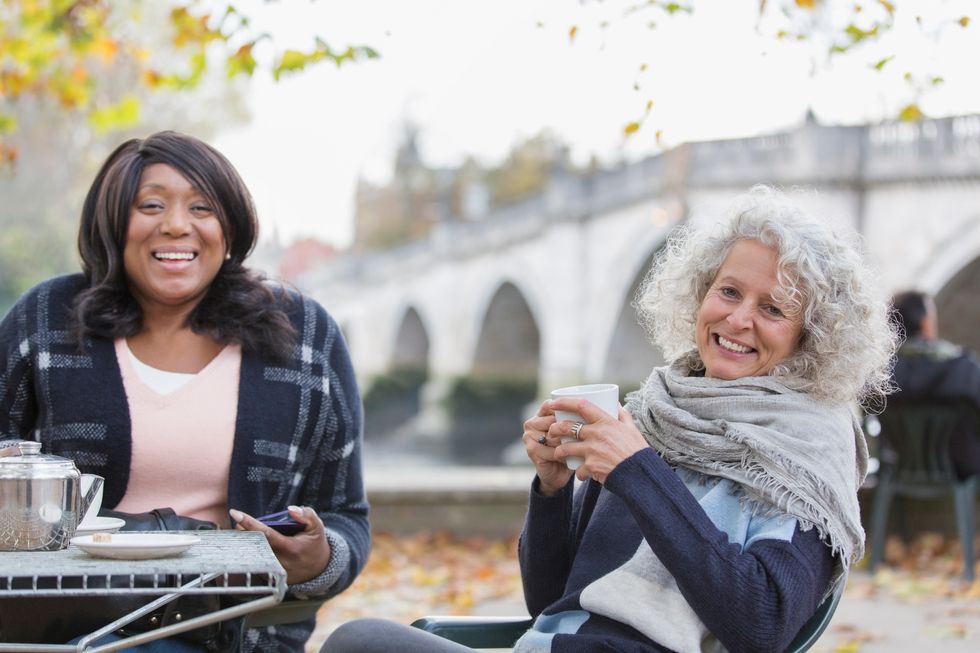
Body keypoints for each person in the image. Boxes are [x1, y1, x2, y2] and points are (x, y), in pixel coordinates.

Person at [321, 185, 897, 653]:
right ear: (700, 295)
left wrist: (637, 471)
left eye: (772, 309)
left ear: (811, 336)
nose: (739, 318)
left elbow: (763, 625)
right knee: (357, 640)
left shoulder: (804, 454)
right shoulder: (656, 414)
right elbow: (550, 599)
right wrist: (551, 489)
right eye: (728, 291)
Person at [0, 131, 370, 652]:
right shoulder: (46, 320)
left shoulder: (304, 334)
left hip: (237, 630)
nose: (176, 224)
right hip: (67, 626)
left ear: (229, 225)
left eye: (202, 207)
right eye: (150, 205)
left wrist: (320, 559)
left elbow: (346, 516)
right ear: (112, 223)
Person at [888, 290, 980, 478]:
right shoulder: (962, 366)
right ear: (925, 322)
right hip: (961, 467)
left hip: (898, 466)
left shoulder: (880, 372)